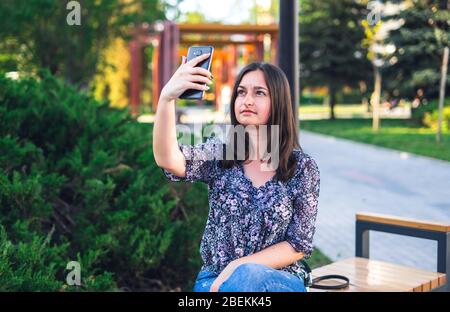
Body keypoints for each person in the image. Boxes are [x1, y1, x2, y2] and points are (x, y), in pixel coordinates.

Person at [153, 53, 320, 292]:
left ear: (279, 102)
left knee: (249, 276)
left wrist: (240, 266)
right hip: (215, 280)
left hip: (277, 280)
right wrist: (166, 98)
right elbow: (169, 159)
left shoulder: (302, 168)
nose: (247, 100)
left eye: (259, 93)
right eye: (241, 92)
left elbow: (298, 244)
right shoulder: (220, 155)